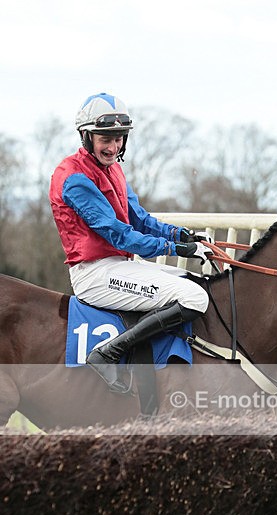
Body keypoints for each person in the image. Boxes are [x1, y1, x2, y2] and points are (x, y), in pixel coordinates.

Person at [49, 92, 213, 392]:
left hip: (119, 267)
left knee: (197, 284)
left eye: (119, 138)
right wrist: (176, 250)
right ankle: (107, 353)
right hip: (94, 274)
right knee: (195, 299)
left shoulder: (112, 169)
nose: (113, 147)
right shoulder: (74, 178)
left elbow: (140, 220)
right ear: (86, 136)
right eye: (105, 139)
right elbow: (118, 234)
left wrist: (182, 236)